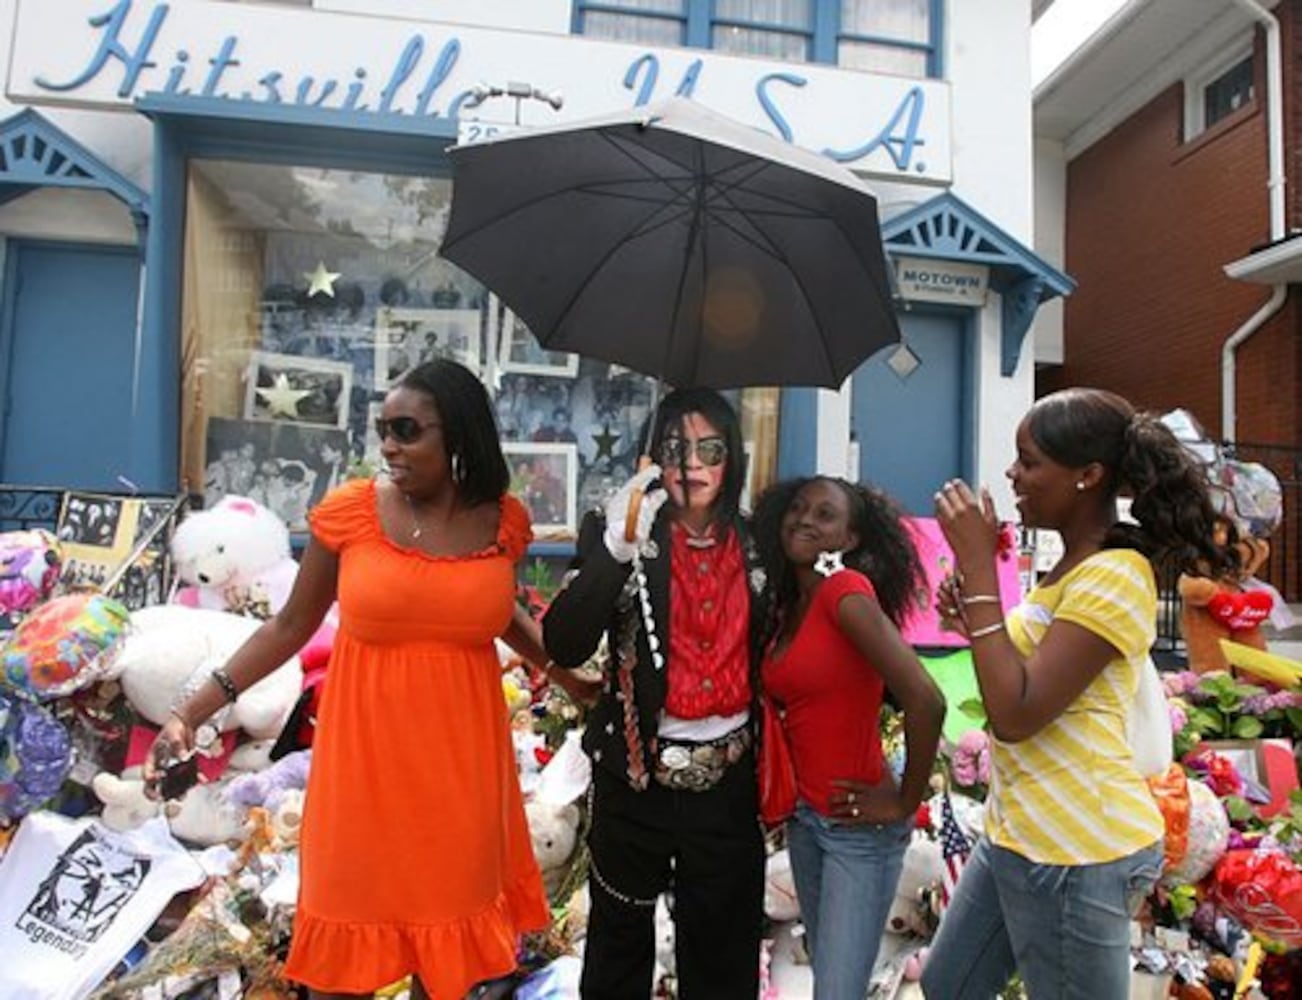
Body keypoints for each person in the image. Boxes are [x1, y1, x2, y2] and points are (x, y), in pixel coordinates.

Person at [147, 360, 563, 1000]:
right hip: (362, 771)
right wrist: (191, 711)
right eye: (383, 429)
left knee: (446, 967)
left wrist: (573, 679)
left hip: (462, 774)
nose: (389, 446)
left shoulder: (501, 523)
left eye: (406, 430)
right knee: (342, 964)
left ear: (457, 436)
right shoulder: (350, 514)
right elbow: (287, 627)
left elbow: (491, 611)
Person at [924, 387, 1236, 999]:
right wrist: (975, 616)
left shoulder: (1118, 575)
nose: (1013, 473)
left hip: (1075, 853)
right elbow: (1023, 675)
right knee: (948, 984)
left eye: (1030, 460)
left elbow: (1016, 714)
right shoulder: (1071, 567)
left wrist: (983, 574)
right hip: (1020, 832)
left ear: (1089, 475)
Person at [543, 386, 765, 1000]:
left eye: (709, 448)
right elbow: (562, 641)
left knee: (720, 952)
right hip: (634, 779)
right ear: (651, 459)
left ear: (732, 458)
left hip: (728, 783)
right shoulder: (621, 533)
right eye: (674, 448)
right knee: (618, 944)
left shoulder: (759, 541)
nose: (692, 464)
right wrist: (618, 544)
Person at [751, 476, 945, 1000]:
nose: (806, 520)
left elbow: (926, 699)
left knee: (837, 991)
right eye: (798, 508)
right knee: (830, 983)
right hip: (809, 822)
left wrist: (905, 799)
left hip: (857, 829)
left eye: (824, 514)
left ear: (850, 539)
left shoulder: (845, 593)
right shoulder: (792, 605)